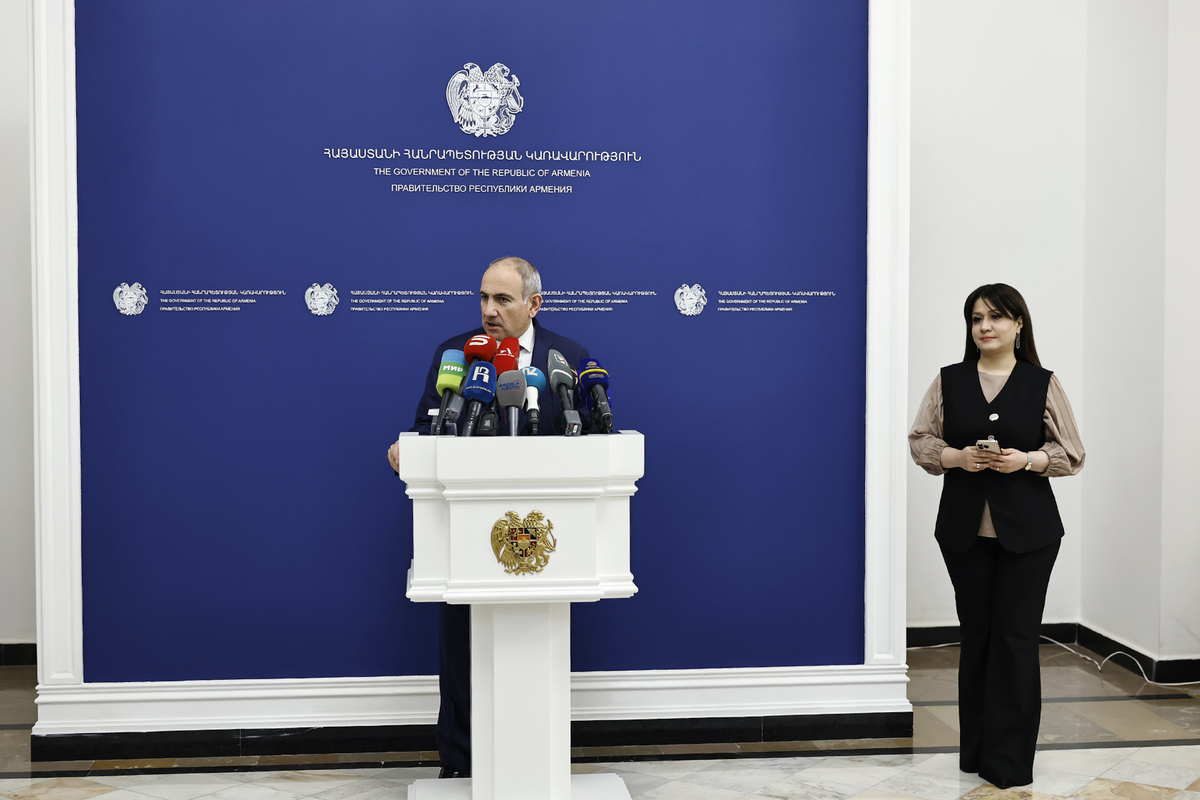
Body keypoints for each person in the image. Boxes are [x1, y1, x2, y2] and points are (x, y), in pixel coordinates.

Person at [386, 256, 590, 779]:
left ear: (534, 304)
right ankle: (460, 762)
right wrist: (407, 450)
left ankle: (536, 762)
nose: (489, 310)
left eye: (502, 299)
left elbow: (589, 439)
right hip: (467, 532)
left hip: (542, 534)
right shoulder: (455, 355)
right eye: (483, 298)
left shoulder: (569, 357)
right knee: (460, 645)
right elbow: (426, 427)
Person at [908, 284, 1084, 789]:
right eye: (976, 318)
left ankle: (1008, 763)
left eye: (997, 317)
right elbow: (921, 442)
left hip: (1030, 534)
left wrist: (1026, 460)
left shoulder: (1041, 383)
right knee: (978, 637)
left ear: (1019, 324)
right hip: (963, 532)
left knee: (1015, 640)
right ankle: (976, 752)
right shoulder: (948, 380)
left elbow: (1071, 453)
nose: (985, 326)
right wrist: (958, 457)